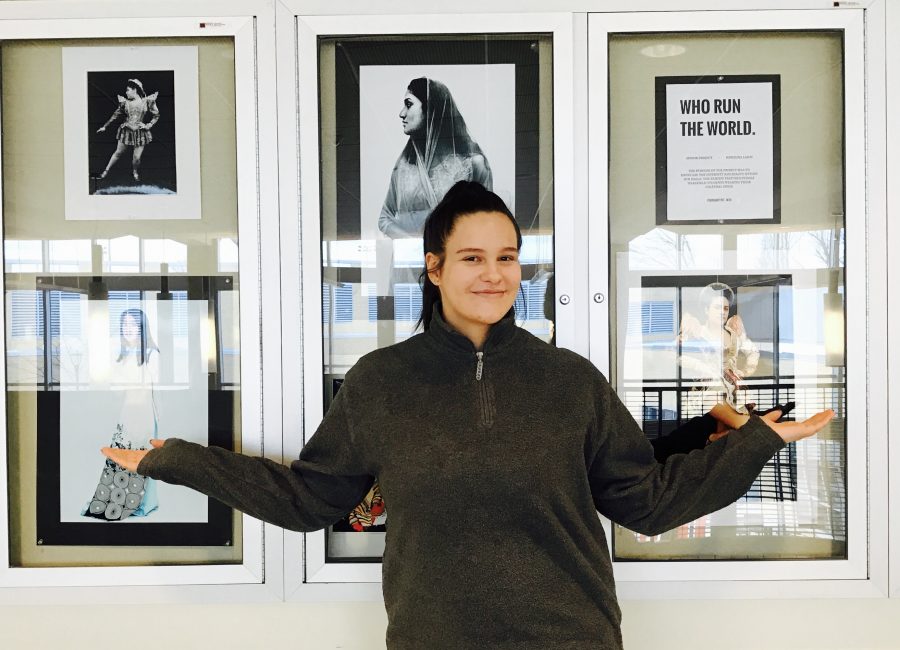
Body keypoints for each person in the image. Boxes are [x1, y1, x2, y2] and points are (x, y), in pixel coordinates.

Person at [103, 182, 833, 648]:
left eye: (509, 257)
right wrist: (180, 459)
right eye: (474, 257)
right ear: (434, 267)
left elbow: (644, 502)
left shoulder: (569, 380)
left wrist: (758, 440)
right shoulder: (381, 383)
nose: (495, 275)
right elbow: (309, 498)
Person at [378, 77, 493, 239]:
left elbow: (486, 220)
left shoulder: (473, 163)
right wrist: (416, 245)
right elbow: (385, 217)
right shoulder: (403, 167)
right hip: (413, 260)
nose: (401, 113)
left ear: (431, 109)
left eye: (409, 104)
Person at [85, 308, 160, 520]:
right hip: (125, 412)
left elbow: (156, 389)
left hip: (144, 413)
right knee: (119, 454)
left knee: (141, 456)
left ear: (142, 327)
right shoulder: (121, 354)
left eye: (132, 325)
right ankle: (113, 502)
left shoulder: (152, 354)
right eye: (124, 325)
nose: (127, 329)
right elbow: (114, 386)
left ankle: (140, 503)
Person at [678, 281, 760, 413]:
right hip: (708, 391)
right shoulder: (697, 332)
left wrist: (744, 371)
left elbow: (753, 352)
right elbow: (678, 356)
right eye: (717, 307)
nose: (722, 312)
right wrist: (700, 366)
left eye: (725, 308)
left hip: (734, 390)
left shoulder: (734, 334)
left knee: (738, 427)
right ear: (706, 310)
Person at [96, 78, 160, 183]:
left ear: (135, 90)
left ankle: (135, 171)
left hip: (140, 132)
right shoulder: (125, 103)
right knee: (118, 152)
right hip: (126, 131)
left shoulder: (147, 101)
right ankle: (105, 171)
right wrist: (105, 126)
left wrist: (148, 125)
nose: (126, 92)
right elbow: (115, 115)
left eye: (128, 90)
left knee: (137, 157)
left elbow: (156, 115)